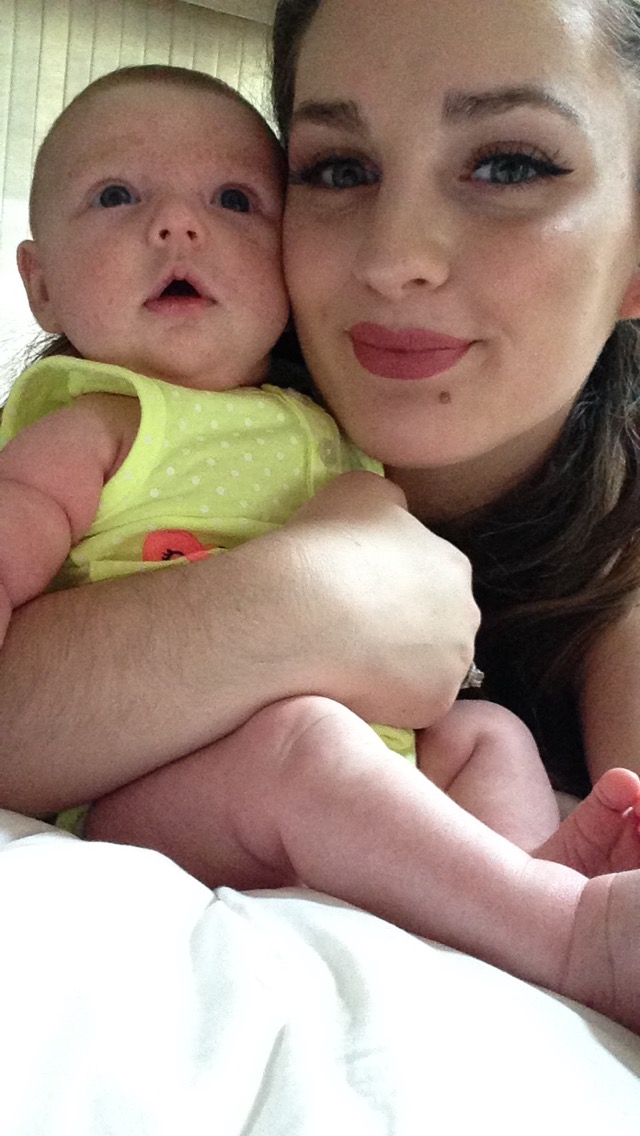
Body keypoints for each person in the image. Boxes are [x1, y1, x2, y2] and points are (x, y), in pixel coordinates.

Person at [2, 3, 640, 1035]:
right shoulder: (131, 410)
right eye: (339, 170)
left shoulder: (618, 568)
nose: (394, 258)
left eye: (510, 165)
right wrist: (306, 598)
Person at [0, 62, 582, 859]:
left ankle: (531, 887)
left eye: (234, 201)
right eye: (117, 195)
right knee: (302, 751)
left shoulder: (329, 417)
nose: (177, 225)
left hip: (360, 755)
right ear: (41, 288)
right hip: (169, 776)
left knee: (491, 736)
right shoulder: (93, 421)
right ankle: (539, 914)